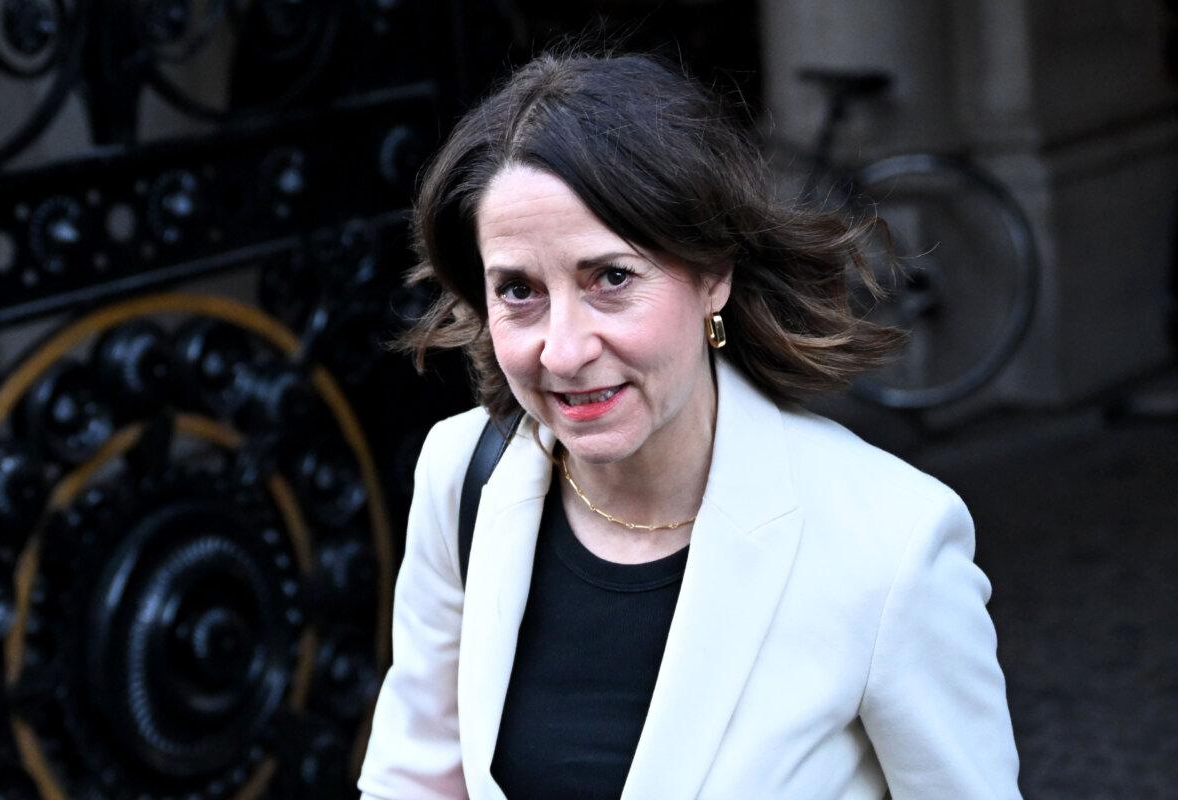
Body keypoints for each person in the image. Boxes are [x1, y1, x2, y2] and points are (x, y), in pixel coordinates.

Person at [358, 48, 1021, 800]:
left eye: (611, 278)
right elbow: (413, 781)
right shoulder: (462, 475)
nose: (564, 351)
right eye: (518, 291)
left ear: (713, 275)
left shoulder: (891, 541)